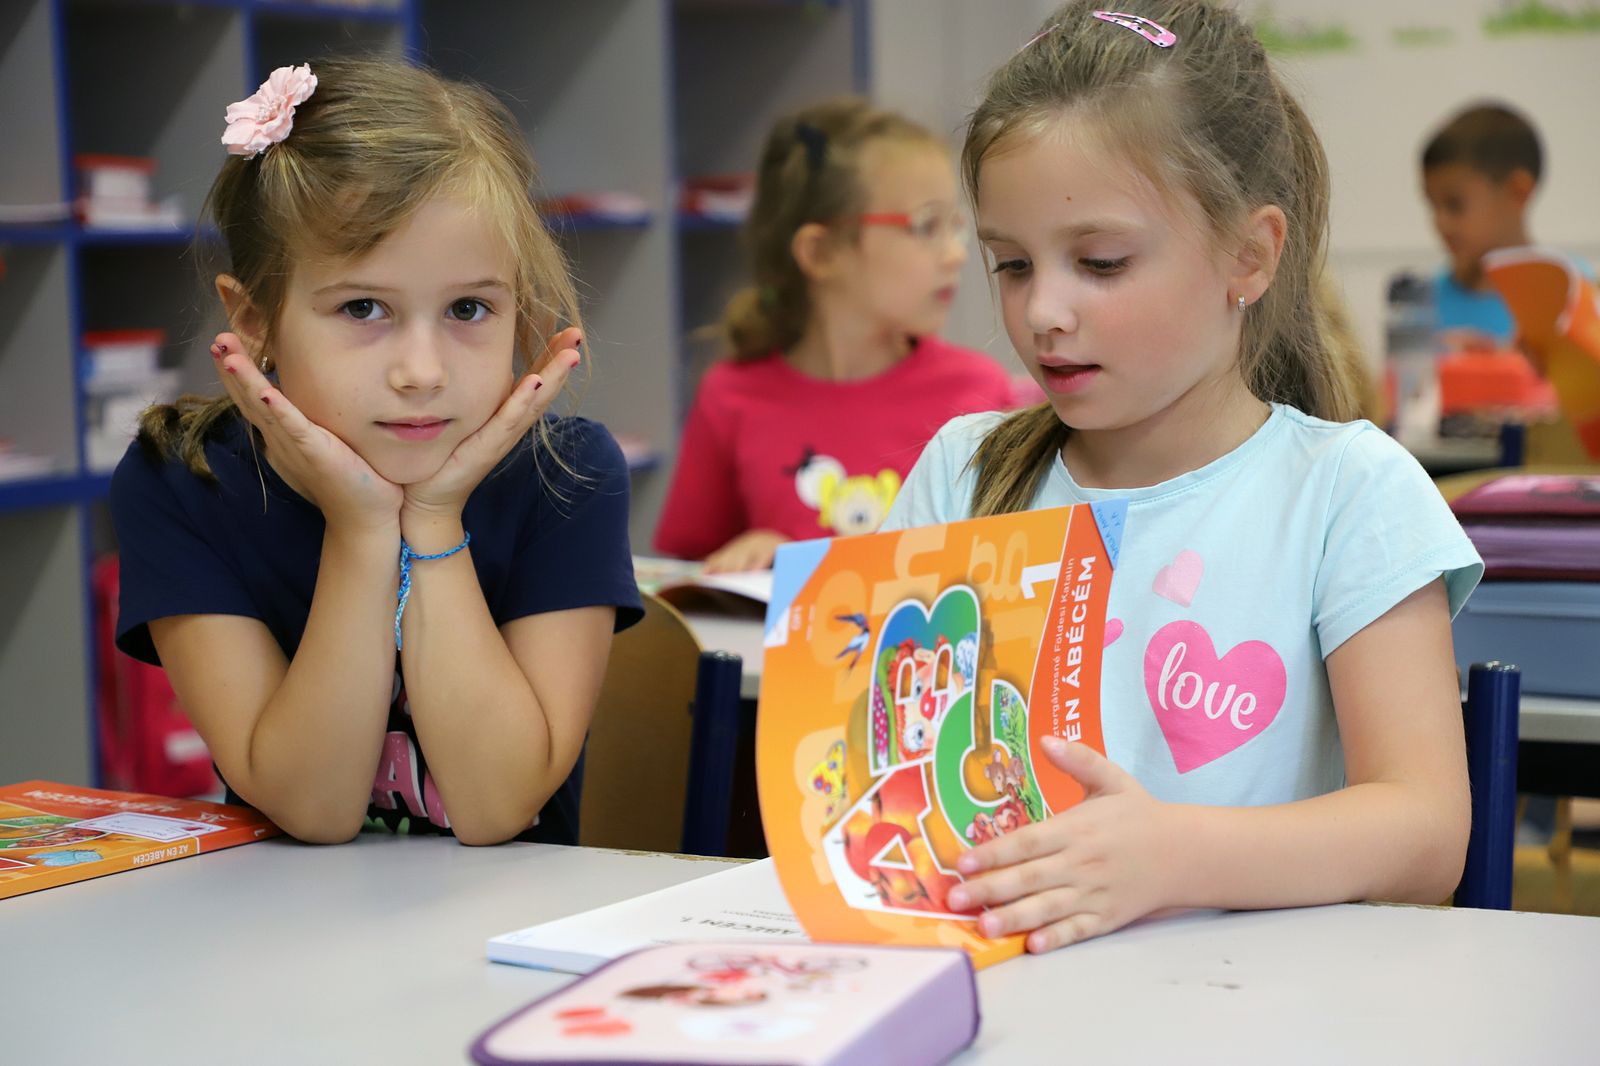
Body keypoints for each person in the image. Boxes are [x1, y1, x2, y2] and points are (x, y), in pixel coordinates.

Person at [881, 1, 1484, 953]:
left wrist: (1172, 856)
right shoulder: (961, 472)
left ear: (1249, 255)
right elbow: (887, 768)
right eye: (1012, 264)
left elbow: (1425, 832)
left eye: (1101, 263)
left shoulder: (1349, 493)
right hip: (1010, 987)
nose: (1043, 312)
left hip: (1262, 1000)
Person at [111, 59, 640, 847]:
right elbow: (312, 808)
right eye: (364, 308)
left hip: (516, 915)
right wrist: (361, 529)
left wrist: (433, 518)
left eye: (469, 309)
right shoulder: (184, 479)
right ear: (254, 321)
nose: (421, 373)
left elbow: (496, 807)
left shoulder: (568, 474)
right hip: (281, 915)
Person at [653, 98, 1015, 573]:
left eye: (955, 227)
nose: (956, 255)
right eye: (927, 225)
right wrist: (750, 551)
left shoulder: (979, 392)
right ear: (821, 252)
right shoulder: (729, 397)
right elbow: (688, 577)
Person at [1420, 102, 1545, 350]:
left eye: (1454, 204)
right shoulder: (1422, 307)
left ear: (1517, 192)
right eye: (1432, 204)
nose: (1440, 222)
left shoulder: (1576, 293)